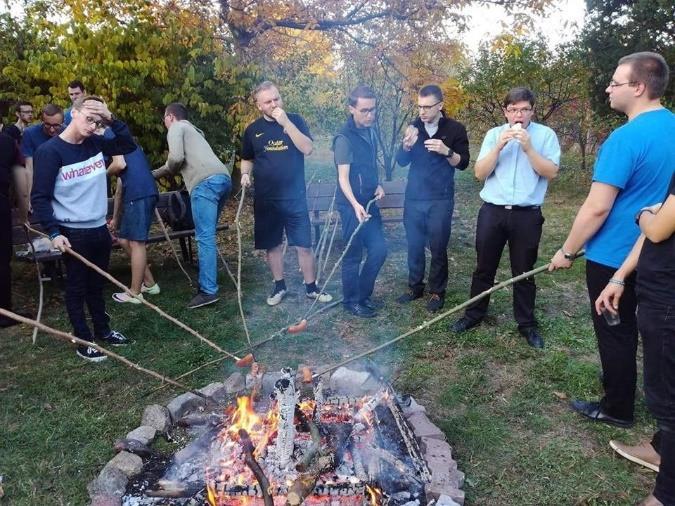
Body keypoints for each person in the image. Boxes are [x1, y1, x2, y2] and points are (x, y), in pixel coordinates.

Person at [549, 52, 674, 428]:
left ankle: (618, 407)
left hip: (613, 257)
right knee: (656, 337)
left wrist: (567, 250)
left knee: (616, 333)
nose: (608, 88)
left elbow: (597, 208)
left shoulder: (624, 139)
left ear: (638, 87)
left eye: (615, 82)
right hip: (657, 256)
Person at [451, 87, 560, 348]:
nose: (518, 115)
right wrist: (499, 145)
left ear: (532, 111)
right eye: (512, 110)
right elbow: (479, 173)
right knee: (483, 267)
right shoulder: (493, 135)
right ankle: (474, 314)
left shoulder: (545, 136)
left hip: (527, 215)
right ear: (505, 112)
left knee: (523, 271)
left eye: (523, 109)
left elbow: (551, 172)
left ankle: (526, 324)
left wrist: (528, 149)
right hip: (493, 212)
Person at [31, 96, 136, 362]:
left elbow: (127, 144)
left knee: (96, 284)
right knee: (77, 287)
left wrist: (111, 118)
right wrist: (54, 233)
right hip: (72, 231)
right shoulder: (50, 152)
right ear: (73, 113)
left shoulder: (95, 143)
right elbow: (40, 197)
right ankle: (83, 338)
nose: (93, 126)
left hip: (99, 228)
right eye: (89, 118)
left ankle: (103, 330)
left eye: (98, 121)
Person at [595, 174, 675, 506]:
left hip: (669, 301)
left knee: (668, 399)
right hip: (659, 292)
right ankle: (660, 449)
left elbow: (656, 228)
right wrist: (620, 275)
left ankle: (666, 495)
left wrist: (643, 212)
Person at [240, 81, 332, 307]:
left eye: (276, 99)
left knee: (304, 244)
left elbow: (307, 148)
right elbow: (247, 158)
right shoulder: (252, 130)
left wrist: (286, 123)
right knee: (272, 245)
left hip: (294, 196)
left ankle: (311, 287)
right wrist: (244, 174)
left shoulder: (296, 120)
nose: (274, 104)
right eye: (268, 101)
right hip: (266, 198)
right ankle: (279, 285)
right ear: (259, 106)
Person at [395, 84, 470, 313]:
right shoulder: (414, 128)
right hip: (414, 198)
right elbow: (401, 162)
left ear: (440, 106)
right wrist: (406, 146)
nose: (422, 112)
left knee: (438, 246)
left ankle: (437, 291)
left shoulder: (455, 129)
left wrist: (446, 150)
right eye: (419, 107)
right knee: (414, 244)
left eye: (427, 107)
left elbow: (464, 163)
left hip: (440, 198)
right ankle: (415, 286)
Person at [153, 103, 232, 309]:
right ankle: (210, 277)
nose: (164, 123)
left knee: (204, 237)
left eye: (164, 119)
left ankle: (208, 291)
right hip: (223, 179)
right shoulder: (195, 131)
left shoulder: (176, 127)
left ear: (170, 116)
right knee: (208, 235)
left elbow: (176, 158)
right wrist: (156, 173)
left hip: (204, 183)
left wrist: (161, 172)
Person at [333, 85, 387, 318]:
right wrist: (354, 205)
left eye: (373, 110)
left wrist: (377, 184)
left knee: (379, 250)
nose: (370, 115)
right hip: (350, 205)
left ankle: (362, 295)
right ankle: (351, 301)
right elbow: (343, 178)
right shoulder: (343, 139)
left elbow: (369, 167)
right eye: (364, 110)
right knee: (353, 253)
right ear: (351, 109)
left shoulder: (371, 132)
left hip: (369, 202)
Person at [106, 131, 160, 304]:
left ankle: (135, 293)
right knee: (123, 240)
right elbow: (120, 190)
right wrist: (115, 219)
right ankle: (150, 283)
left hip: (139, 195)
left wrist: (101, 175)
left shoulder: (116, 145)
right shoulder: (130, 151)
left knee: (136, 242)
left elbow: (118, 166)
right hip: (139, 196)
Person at [0, 130, 31, 327]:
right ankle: (4, 313)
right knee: (1, 261)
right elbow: (21, 181)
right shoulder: (6, 142)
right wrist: (23, 214)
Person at [21, 104, 64, 201]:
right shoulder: (30, 133)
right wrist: (29, 196)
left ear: (63, 122)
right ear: (42, 121)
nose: (52, 129)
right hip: (40, 181)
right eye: (47, 125)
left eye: (56, 125)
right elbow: (29, 167)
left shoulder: (67, 132)